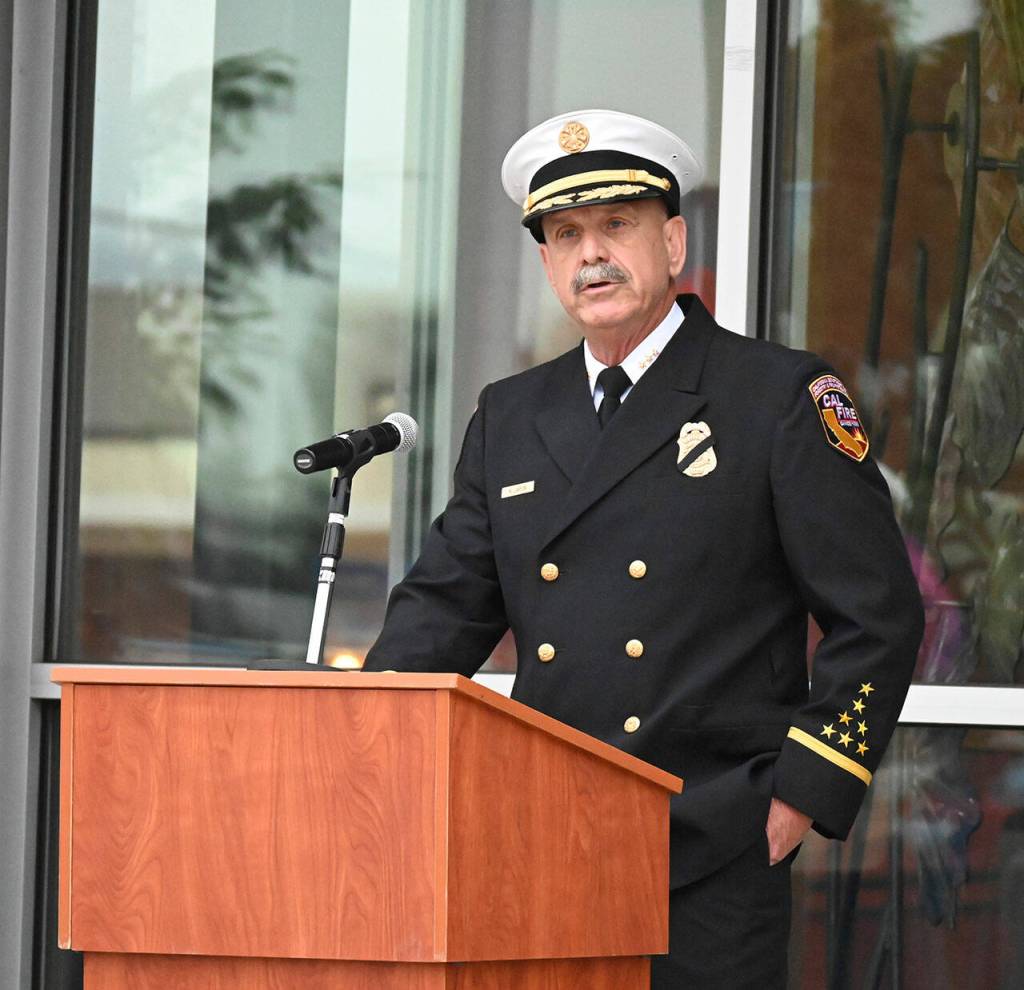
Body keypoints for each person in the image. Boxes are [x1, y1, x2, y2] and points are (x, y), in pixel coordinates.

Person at [362, 108, 924, 988]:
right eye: (566, 235)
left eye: (616, 225)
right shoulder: (512, 414)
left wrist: (803, 793)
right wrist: (362, 746)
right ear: (547, 264)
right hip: (542, 842)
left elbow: (877, 615)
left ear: (672, 241)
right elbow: (441, 608)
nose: (592, 255)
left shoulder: (775, 394)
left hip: (710, 842)